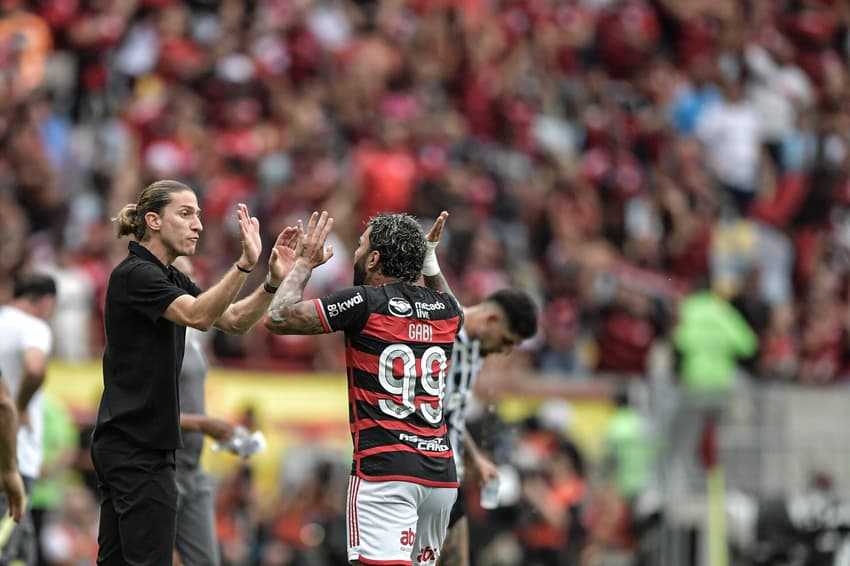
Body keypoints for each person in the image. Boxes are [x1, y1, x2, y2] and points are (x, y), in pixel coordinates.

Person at [91, 179, 296, 566]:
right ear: (153, 220)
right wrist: (244, 264)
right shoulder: (136, 273)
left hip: (131, 445)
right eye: (186, 214)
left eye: (199, 215)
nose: (198, 224)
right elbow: (199, 316)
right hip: (139, 448)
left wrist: (270, 281)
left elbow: (233, 320)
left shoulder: (167, 276)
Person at [265, 211, 464, 566]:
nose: (355, 253)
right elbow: (457, 313)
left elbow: (279, 317)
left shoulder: (365, 302)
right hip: (439, 476)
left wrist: (305, 264)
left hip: (385, 471)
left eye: (360, 245)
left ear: (374, 258)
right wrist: (430, 257)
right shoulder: (444, 308)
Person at [421, 215, 539, 566]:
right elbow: (440, 292)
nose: (504, 351)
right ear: (491, 319)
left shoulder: (474, 348)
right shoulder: (448, 327)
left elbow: (450, 412)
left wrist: (474, 459)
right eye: (506, 341)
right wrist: (429, 254)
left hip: (449, 473)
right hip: (421, 471)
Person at [171, 255, 243, 566]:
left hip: (193, 469)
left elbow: (237, 320)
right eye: (184, 275)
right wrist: (204, 424)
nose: (192, 280)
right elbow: (138, 413)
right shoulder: (148, 338)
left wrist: (271, 281)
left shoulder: (194, 338)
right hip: (162, 468)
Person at [0, 272, 57, 563]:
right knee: (6, 545)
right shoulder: (34, 327)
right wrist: (20, 406)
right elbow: (35, 368)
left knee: (23, 550)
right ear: (46, 302)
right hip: (14, 455)